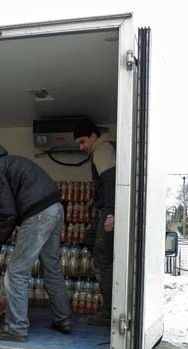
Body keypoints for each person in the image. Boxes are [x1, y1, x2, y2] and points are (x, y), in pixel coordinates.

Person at [0, 143, 71, 342]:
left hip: (38, 214)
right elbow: (11, 212)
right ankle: (63, 319)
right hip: (55, 208)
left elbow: (8, 213)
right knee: (51, 266)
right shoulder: (3, 162)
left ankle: (16, 329)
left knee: (17, 272)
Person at [73, 119, 116, 327]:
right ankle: (109, 268)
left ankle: (110, 311)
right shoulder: (102, 149)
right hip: (107, 209)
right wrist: (95, 201)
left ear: (93, 136)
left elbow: (112, 181)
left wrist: (110, 213)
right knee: (90, 238)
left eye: (82, 142)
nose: (82, 147)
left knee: (102, 259)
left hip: (112, 213)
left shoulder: (103, 150)